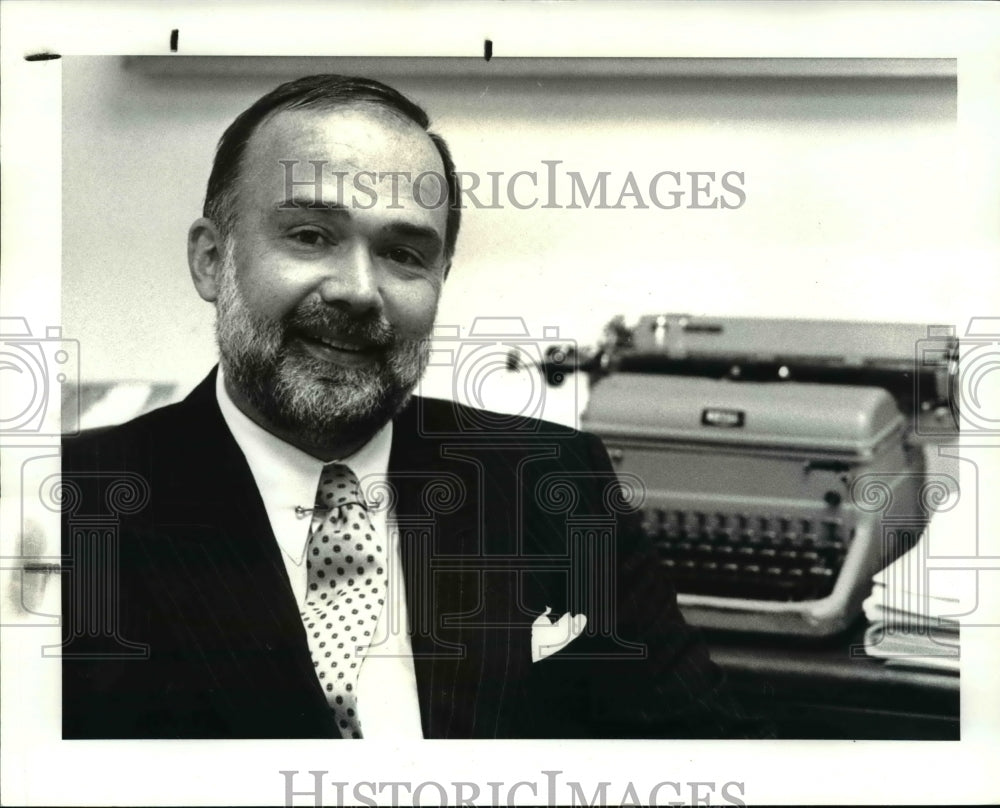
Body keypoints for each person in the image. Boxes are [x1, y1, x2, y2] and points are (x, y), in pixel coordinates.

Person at [61, 74, 757, 739]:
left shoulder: (557, 484)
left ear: (439, 281)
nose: (359, 291)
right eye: (309, 235)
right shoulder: (65, 507)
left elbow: (709, 750)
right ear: (213, 261)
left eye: (403, 253)